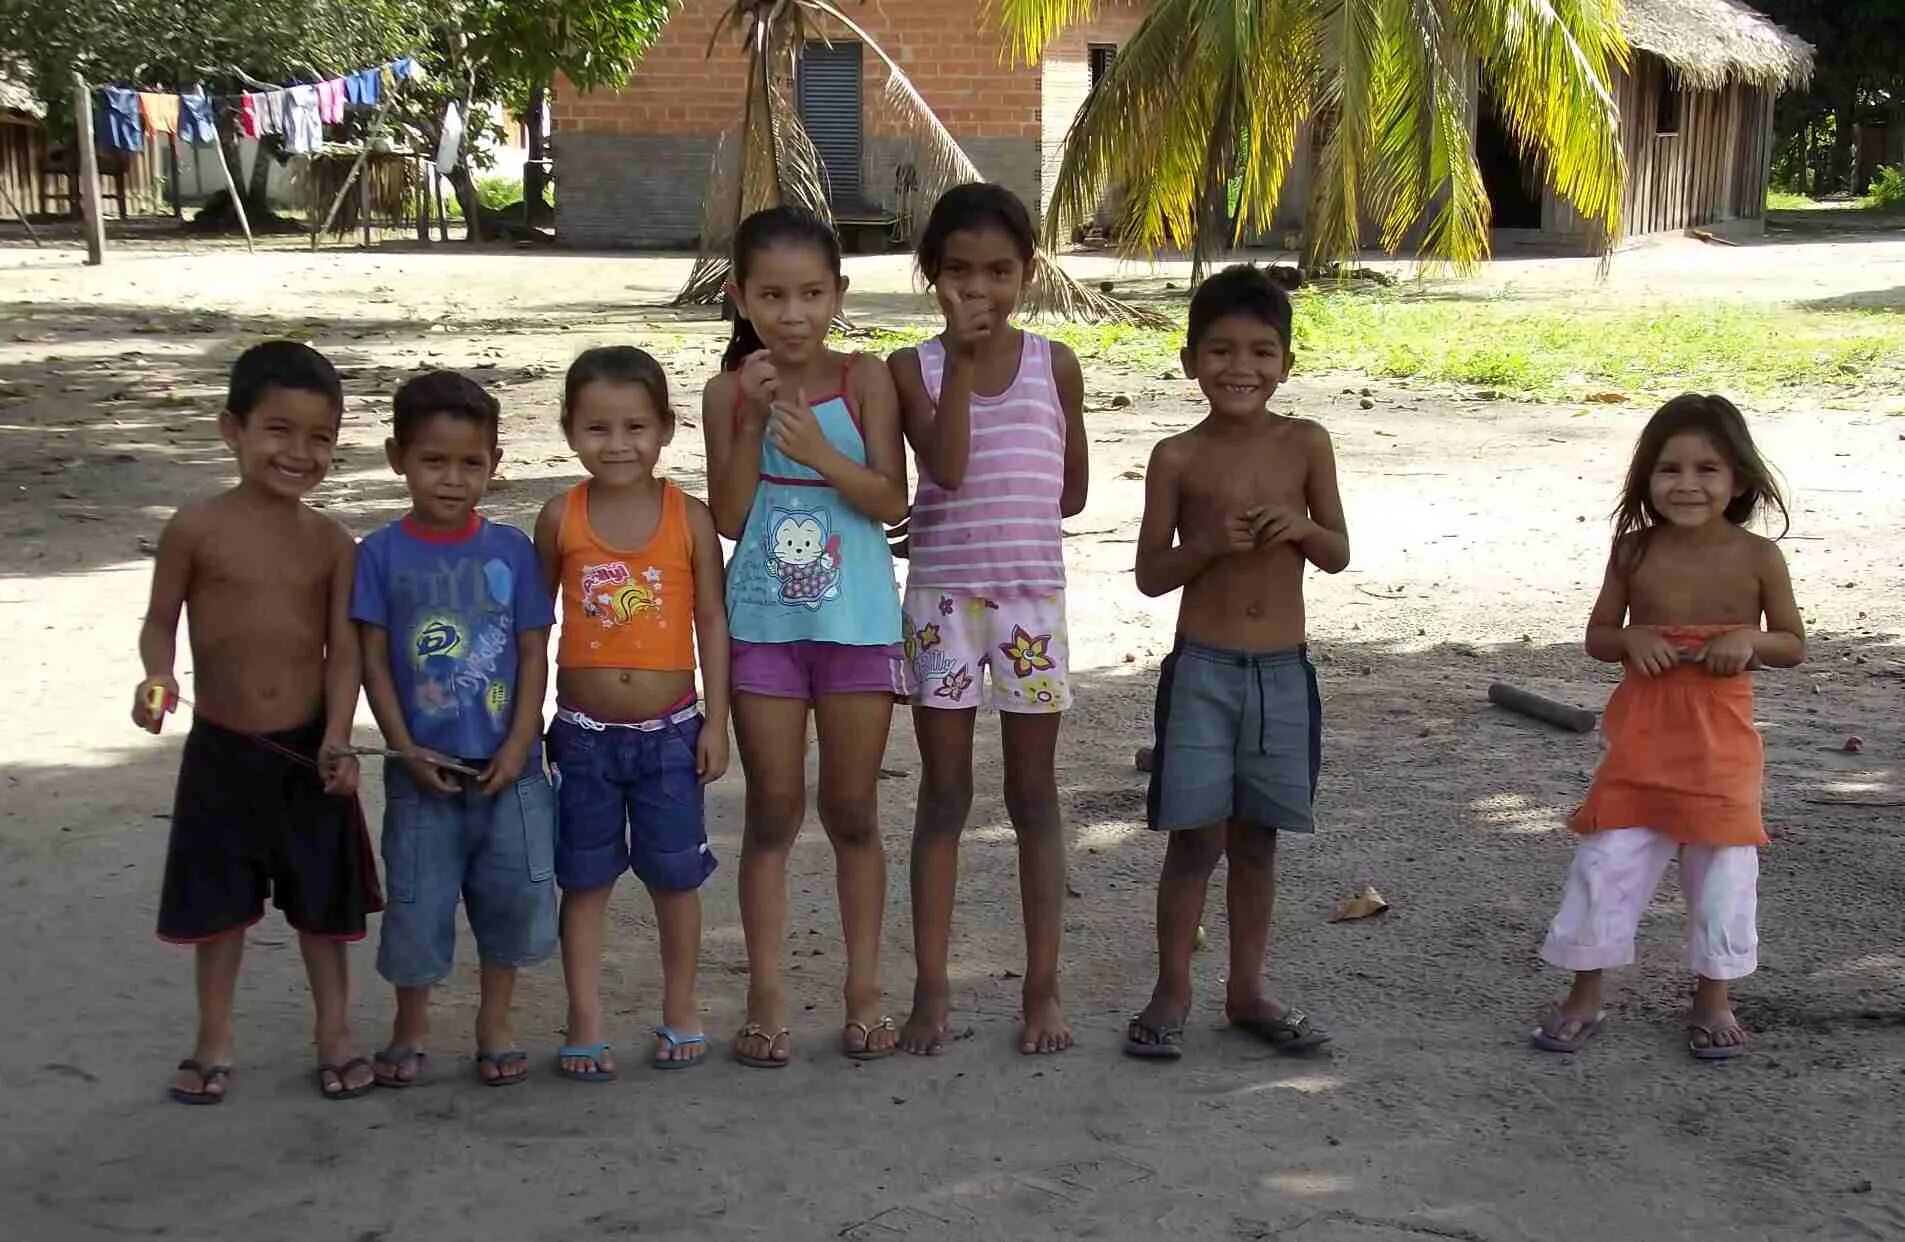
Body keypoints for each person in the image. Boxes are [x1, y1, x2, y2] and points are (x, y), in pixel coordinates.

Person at [132, 340, 380, 1103]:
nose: (300, 452)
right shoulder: (194, 529)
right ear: (230, 430)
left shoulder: (333, 543)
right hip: (222, 748)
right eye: (279, 429)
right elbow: (159, 622)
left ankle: (334, 1035)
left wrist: (340, 735)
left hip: (309, 754)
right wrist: (158, 675)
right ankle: (213, 1041)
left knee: (323, 909)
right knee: (218, 908)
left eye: (320, 438)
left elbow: (345, 655)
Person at [1124, 265, 1350, 1061]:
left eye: (1260, 351)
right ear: (1189, 361)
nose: (1239, 368)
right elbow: (1152, 574)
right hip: (1204, 671)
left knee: (1259, 840)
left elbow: (1336, 554)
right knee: (1194, 839)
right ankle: (1171, 989)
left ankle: (1247, 989)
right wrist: (1209, 544)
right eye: (1218, 351)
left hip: (1282, 671)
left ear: (1286, 362)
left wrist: (1296, 525)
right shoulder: (1177, 458)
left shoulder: (1305, 444)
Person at [1534, 394, 1803, 1061]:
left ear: (1737, 479)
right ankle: (1586, 990)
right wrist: (1630, 639)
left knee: (1722, 875)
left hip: (1719, 751)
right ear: (1645, 479)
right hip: (1640, 744)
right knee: (1607, 863)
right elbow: (1597, 636)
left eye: (1706, 469)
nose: (1686, 484)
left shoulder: (1757, 558)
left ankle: (1712, 995)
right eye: (1669, 469)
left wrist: (1747, 638)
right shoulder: (1632, 552)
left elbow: (1791, 643)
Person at [703, 206, 911, 1067]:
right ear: (741, 299)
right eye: (773, 296)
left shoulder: (864, 379)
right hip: (764, 629)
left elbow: (891, 501)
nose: (793, 315)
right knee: (773, 813)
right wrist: (751, 426)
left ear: (839, 295)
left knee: (853, 810)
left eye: (812, 294)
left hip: (855, 627)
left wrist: (821, 454)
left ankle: (864, 995)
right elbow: (729, 516)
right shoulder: (726, 392)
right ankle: (766, 1000)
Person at [886, 183, 1087, 1056]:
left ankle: (1040, 991)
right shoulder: (911, 369)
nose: (978, 289)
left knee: (1034, 795)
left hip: (1030, 602)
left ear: (1027, 273)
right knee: (943, 795)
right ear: (930, 276)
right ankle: (931, 992)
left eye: (998, 271)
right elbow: (948, 466)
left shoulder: (1057, 363)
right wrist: (962, 367)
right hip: (942, 603)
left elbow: (1069, 490)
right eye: (958, 272)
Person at [353, 371, 558, 1089]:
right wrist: (402, 744)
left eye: (470, 462)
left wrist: (518, 739)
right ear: (396, 458)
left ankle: (494, 1023)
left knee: (515, 897)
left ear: (494, 464)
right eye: (433, 461)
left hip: (510, 770)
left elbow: (534, 649)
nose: (452, 479)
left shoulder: (510, 553)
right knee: (416, 902)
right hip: (421, 774)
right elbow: (372, 657)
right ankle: (410, 1028)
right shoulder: (379, 555)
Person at [536, 347, 731, 1080]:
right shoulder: (560, 517)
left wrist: (716, 722)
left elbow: (711, 620)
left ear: (666, 430)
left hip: (671, 736)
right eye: (596, 428)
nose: (617, 444)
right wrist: (530, 722)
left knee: (674, 881)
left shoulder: (690, 518)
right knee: (582, 882)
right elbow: (534, 628)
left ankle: (680, 1008)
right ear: (568, 430)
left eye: (634, 427)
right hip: (581, 739)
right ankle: (583, 1018)